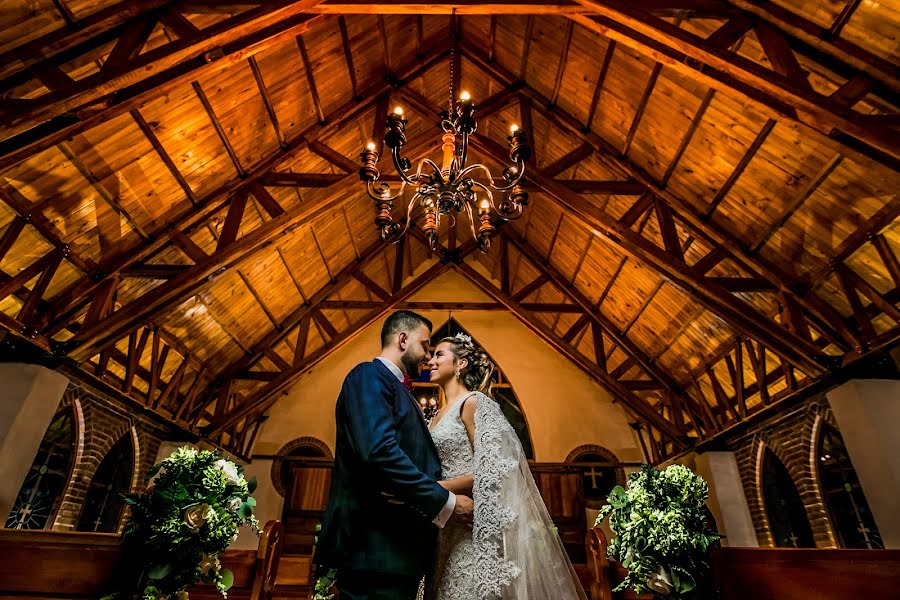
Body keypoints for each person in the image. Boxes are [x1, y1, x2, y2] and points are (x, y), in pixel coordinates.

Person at [315, 311, 474, 600]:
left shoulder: (403, 394)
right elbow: (379, 453)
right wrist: (446, 503)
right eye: (425, 346)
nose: (428, 356)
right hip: (374, 550)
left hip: (396, 553)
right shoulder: (367, 375)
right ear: (403, 339)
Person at [425, 333, 588, 599]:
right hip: (443, 527)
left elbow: (494, 469)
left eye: (439, 354)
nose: (430, 361)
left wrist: (435, 487)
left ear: (460, 364)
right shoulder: (436, 416)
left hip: (469, 525)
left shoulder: (474, 403)